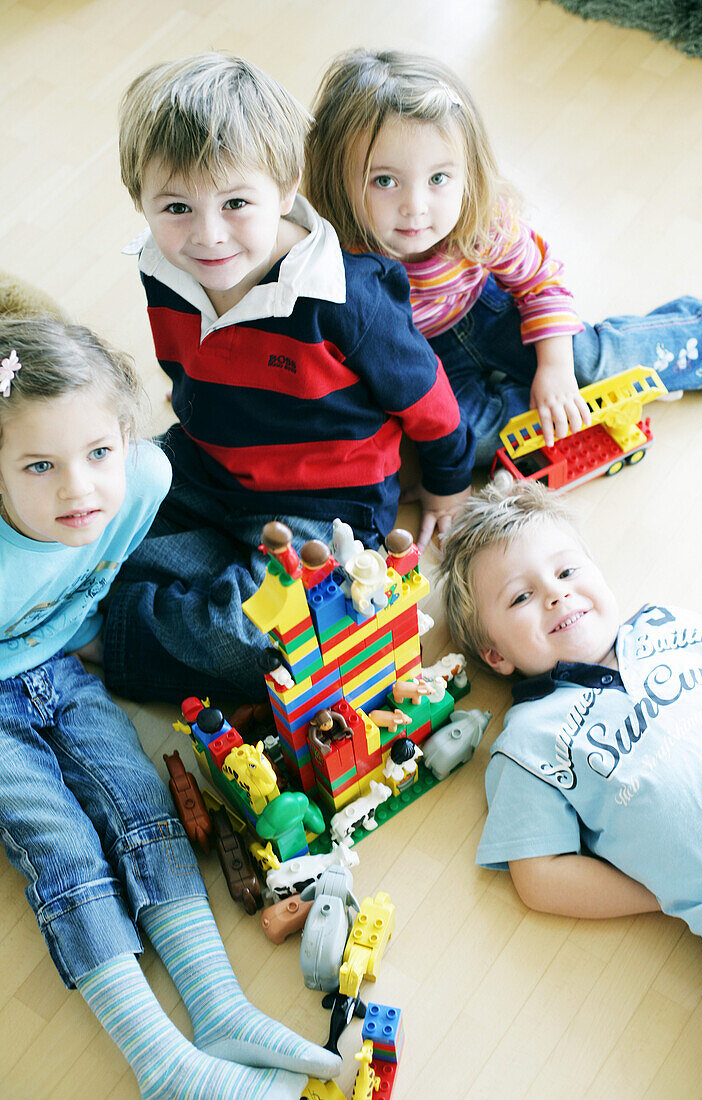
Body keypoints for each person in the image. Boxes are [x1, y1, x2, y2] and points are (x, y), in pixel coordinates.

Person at [0, 317, 339, 1099]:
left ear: (124, 437)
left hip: (61, 663)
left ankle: (217, 1006)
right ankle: (162, 1062)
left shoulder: (144, 479)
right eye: (40, 466)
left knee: (147, 806)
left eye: (97, 454)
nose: (79, 489)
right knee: (64, 846)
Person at [106, 51, 474, 706]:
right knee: (91, 508)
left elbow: (429, 401)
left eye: (237, 203)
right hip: (205, 466)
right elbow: (181, 367)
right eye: (175, 207)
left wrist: (446, 488)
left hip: (323, 503)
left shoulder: (345, 295)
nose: (208, 236)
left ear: (286, 187)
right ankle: (198, 588)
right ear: (139, 198)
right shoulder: (158, 265)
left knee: (281, 640)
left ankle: (117, 635)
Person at [304, 48, 702, 463]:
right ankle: (563, 403)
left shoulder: (482, 222)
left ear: (468, 173)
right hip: (425, 356)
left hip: (490, 311)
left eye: (438, 178)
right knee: (472, 437)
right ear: (338, 178)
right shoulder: (337, 255)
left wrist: (556, 369)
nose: (415, 205)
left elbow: (540, 283)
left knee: (589, 361)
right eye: (384, 181)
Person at [438, 480, 702, 1003]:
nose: (556, 592)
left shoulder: (668, 626)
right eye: (521, 597)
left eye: (567, 570)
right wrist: (660, 891)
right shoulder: (531, 739)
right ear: (496, 657)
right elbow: (539, 876)